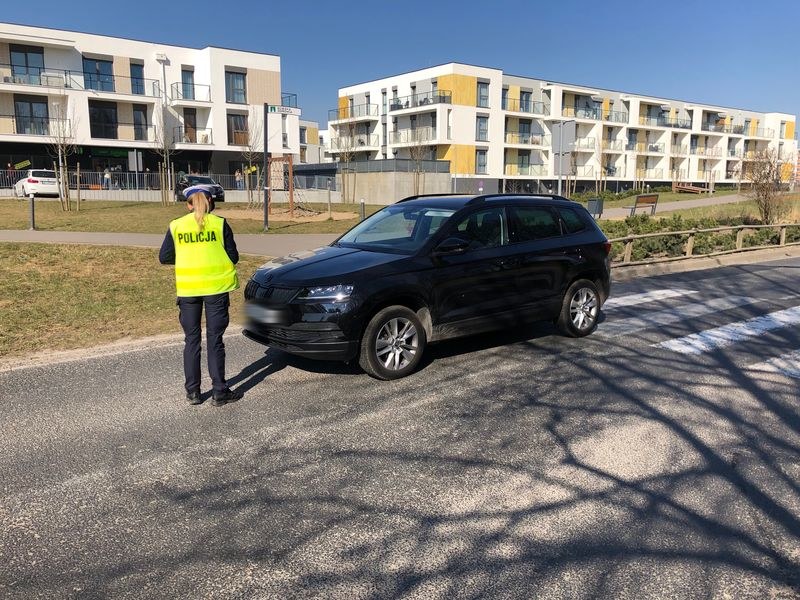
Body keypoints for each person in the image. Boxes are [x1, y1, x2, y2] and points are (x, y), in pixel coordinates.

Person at [159, 185, 243, 406]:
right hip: (216, 289)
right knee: (215, 340)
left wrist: (188, 258)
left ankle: (193, 392)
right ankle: (219, 391)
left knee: (192, 340)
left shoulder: (176, 226)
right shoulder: (220, 224)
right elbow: (233, 256)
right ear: (211, 203)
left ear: (187, 204)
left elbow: (165, 256)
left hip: (188, 291)